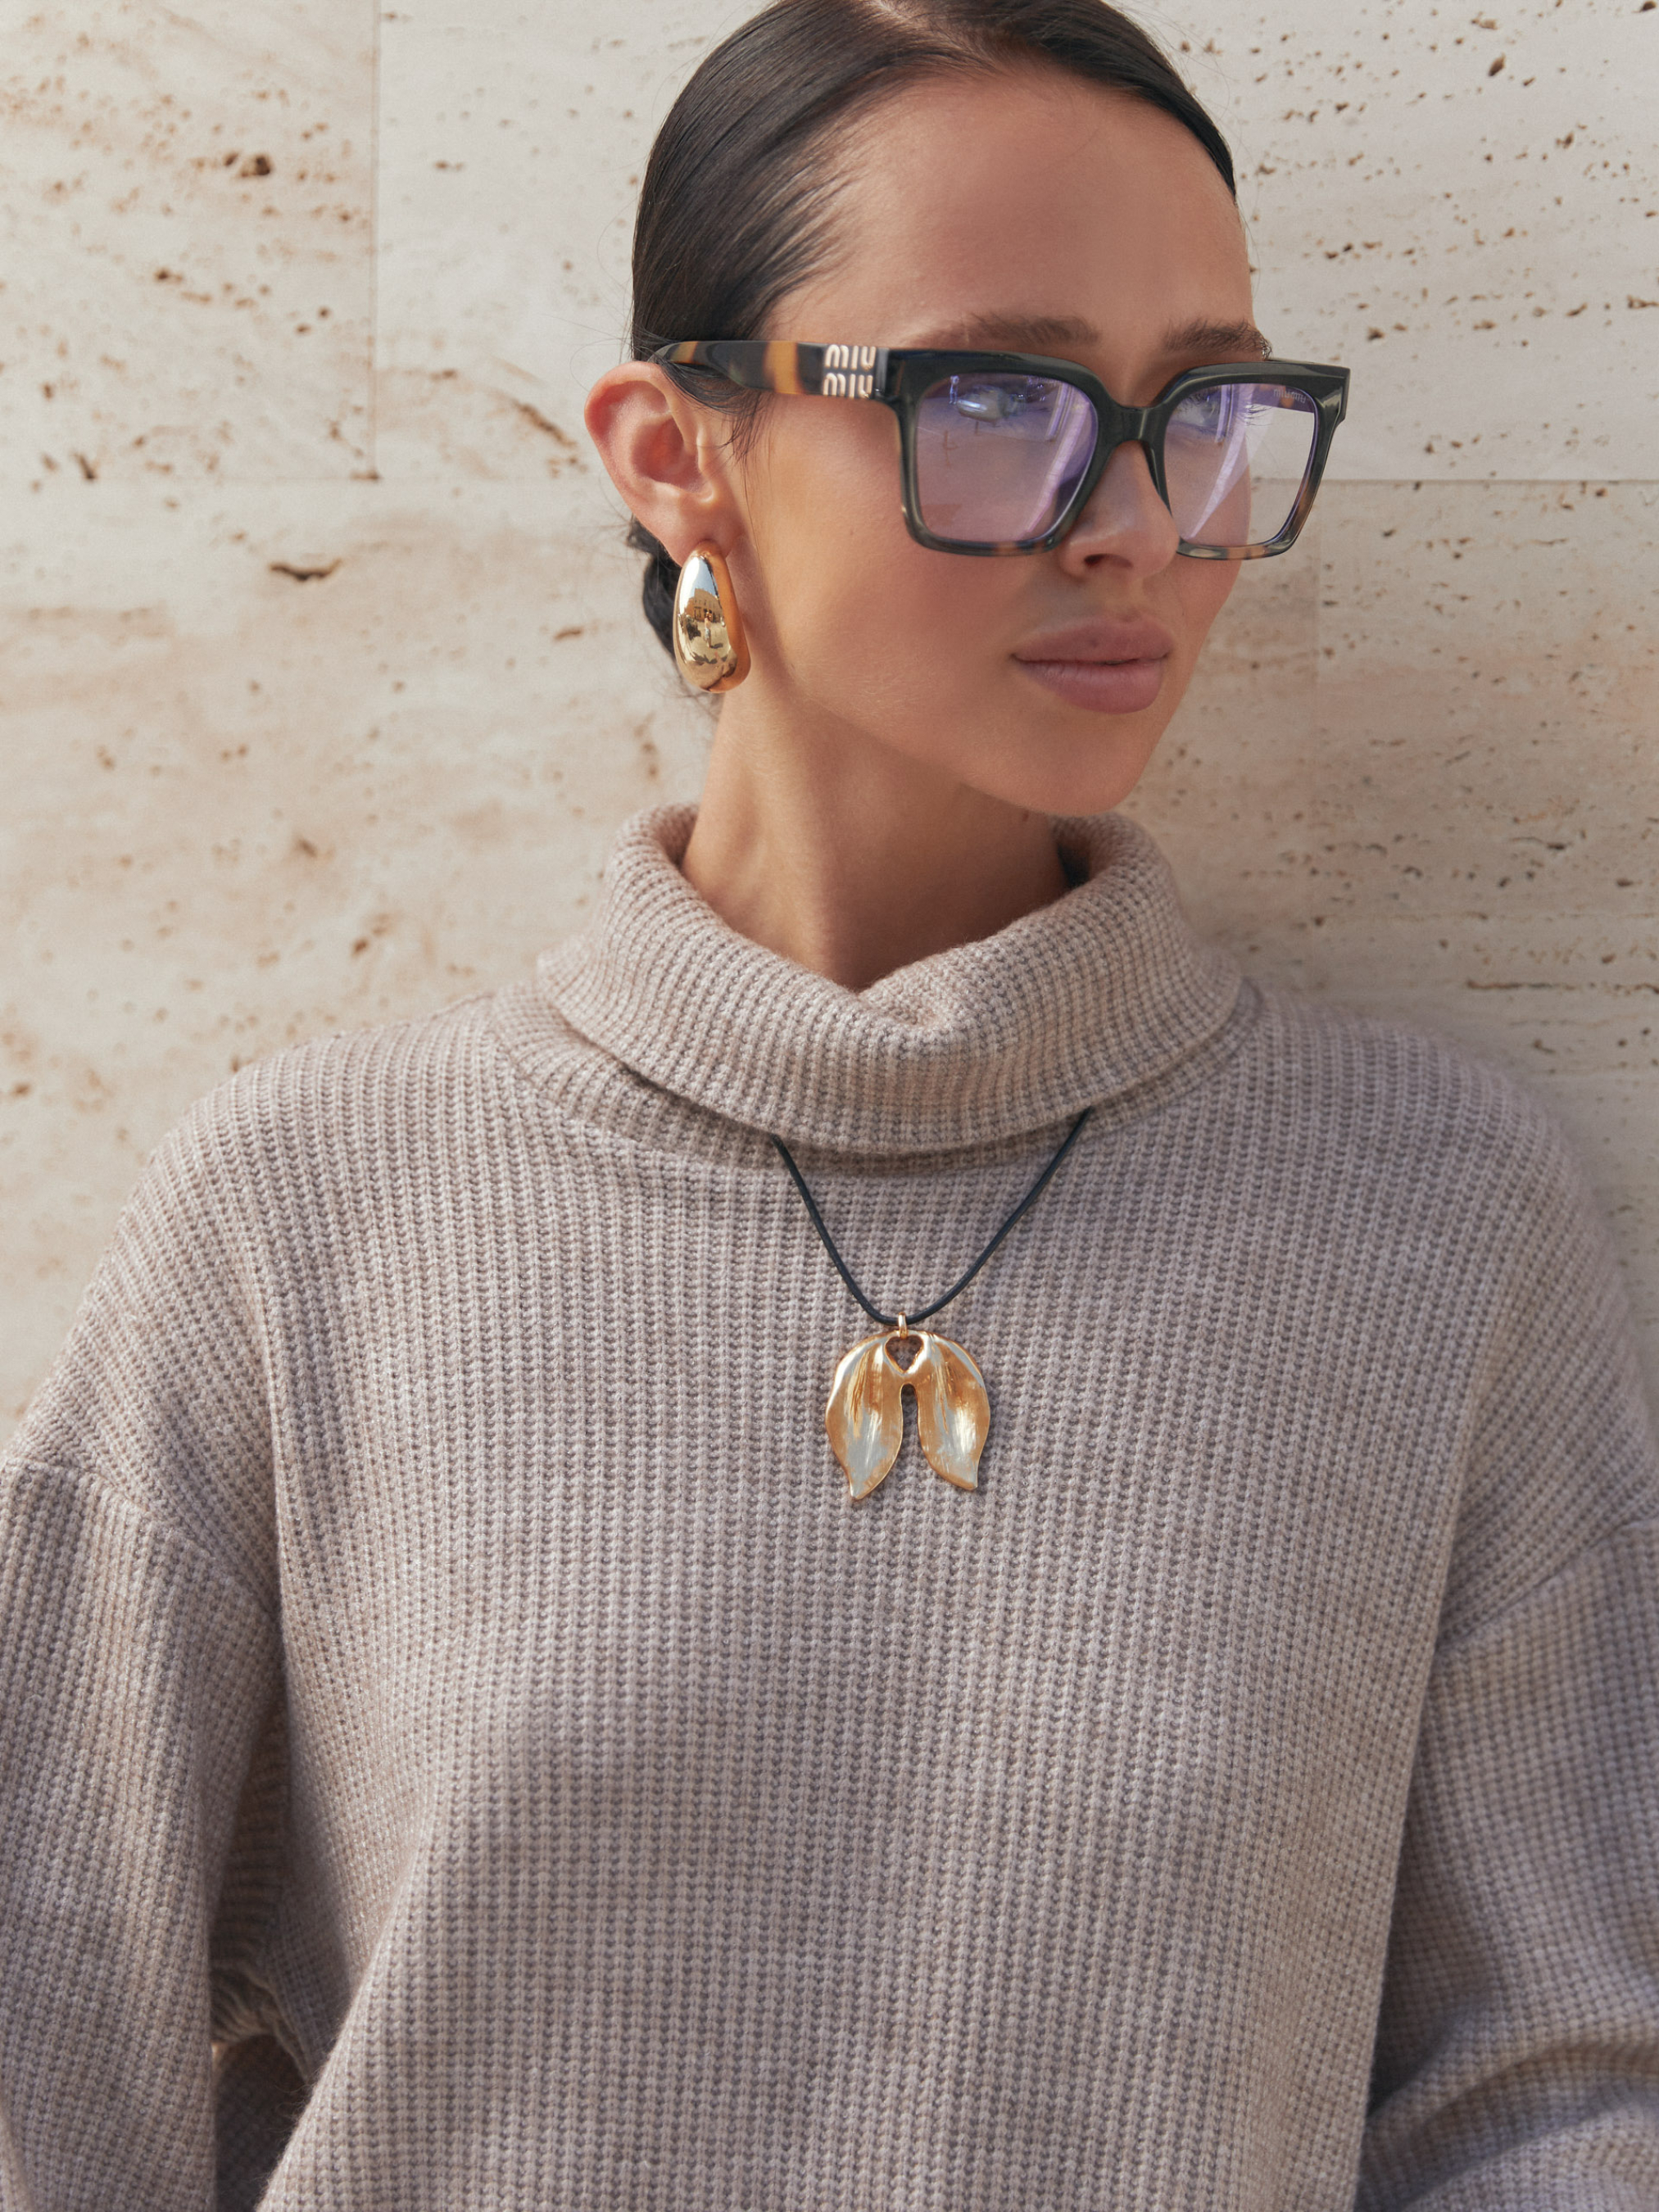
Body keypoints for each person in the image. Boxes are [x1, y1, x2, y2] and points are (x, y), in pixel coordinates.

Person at [2, 2, 1656, 2205]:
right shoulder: (301, 1223)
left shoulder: (1439, 1226)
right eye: (1000, 404)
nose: (1136, 524)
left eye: (1206, 413)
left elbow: (1553, 2101)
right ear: (676, 451)